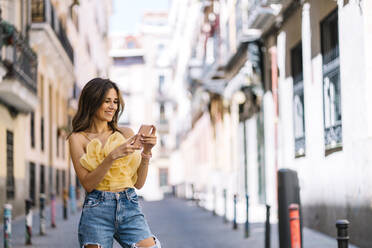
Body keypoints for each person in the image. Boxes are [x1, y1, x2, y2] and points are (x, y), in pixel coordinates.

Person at [68, 78, 161, 248]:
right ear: (92, 101)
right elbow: (88, 184)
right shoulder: (77, 139)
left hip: (129, 205)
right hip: (97, 210)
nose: (113, 106)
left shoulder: (125, 133)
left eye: (116, 102)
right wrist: (113, 156)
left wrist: (146, 150)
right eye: (107, 101)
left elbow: (139, 183)